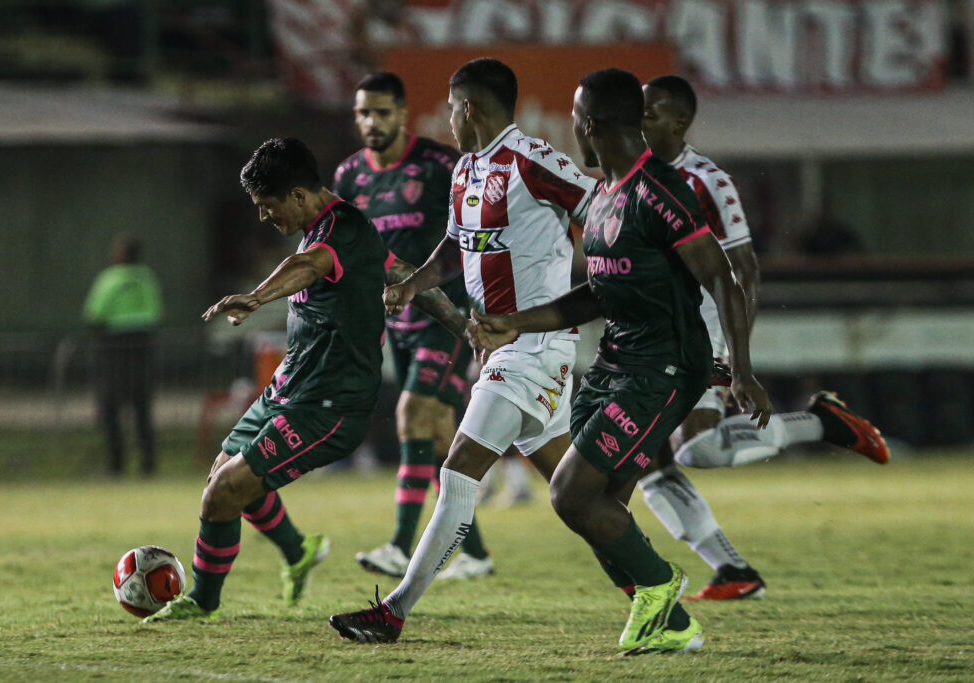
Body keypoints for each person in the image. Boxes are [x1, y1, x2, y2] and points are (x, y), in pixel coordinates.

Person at [467, 68, 775, 655]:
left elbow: (721, 275)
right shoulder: (605, 193)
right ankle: (676, 627)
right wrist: (518, 321)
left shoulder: (658, 191)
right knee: (601, 512)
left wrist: (741, 370)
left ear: (588, 124)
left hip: (662, 368)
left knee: (571, 495)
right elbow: (598, 291)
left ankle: (662, 588)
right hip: (615, 363)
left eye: (574, 116)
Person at [329, 57, 598, 643]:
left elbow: (604, 214)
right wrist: (411, 284)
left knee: (457, 471)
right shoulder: (466, 171)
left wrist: (611, 290)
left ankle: (393, 611)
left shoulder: (533, 159)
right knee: (577, 494)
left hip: (534, 348)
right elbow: (456, 249)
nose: (449, 119)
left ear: (468, 108)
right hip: (503, 350)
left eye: (452, 108)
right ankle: (654, 587)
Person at [144, 137, 467, 622]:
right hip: (288, 390)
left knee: (224, 493)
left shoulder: (339, 230)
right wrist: (463, 325)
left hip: (328, 407)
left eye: (265, 206)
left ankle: (203, 602)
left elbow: (308, 264)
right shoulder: (340, 231)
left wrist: (256, 296)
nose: (262, 217)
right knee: (223, 478)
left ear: (296, 195)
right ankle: (297, 551)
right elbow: (400, 273)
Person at [637, 74, 889, 600]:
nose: (638, 122)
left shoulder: (708, 180)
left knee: (695, 451)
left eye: (649, 113)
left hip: (701, 331)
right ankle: (733, 571)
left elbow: (744, 271)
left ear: (679, 121)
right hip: (652, 336)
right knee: (647, 458)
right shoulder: (633, 175)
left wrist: (736, 361)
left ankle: (817, 423)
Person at [333, 71, 493, 580]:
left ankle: (402, 545)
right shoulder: (349, 177)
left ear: (402, 113)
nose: (372, 122)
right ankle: (473, 552)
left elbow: (469, 234)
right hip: (395, 322)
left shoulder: (439, 165)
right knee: (437, 432)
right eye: (364, 112)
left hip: (448, 316)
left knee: (411, 414)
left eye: (382, 112)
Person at [83, 233, 163, 477]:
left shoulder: (109, 279)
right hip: (142, 346)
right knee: (142, 407)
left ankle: (115, 464)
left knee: (110, 408)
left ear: (120, 254)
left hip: (112, 348)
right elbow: (156, 312)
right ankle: (148, 462)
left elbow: (94, 313)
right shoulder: (147, 278)